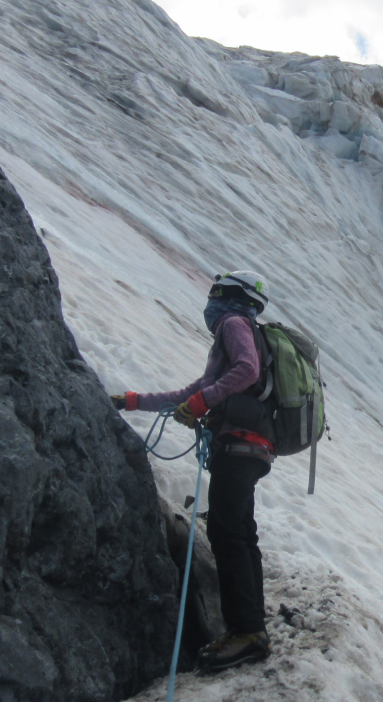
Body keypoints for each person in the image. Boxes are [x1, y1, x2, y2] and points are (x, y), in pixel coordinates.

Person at [112, 271, 274, 671]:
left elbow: (247, 370)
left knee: (226, 532)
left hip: (237, 444)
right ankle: (253, 621)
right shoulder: (243, 326)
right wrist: (134, 402)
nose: (210, 300)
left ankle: (247, 632)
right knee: (240, 530)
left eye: (215, 292)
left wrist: (205, 402)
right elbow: (192, 393)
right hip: (252, 446)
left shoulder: (233, 323)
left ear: (229, 295)